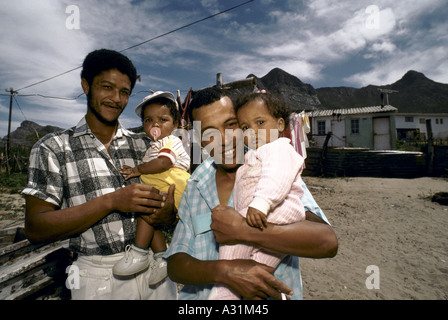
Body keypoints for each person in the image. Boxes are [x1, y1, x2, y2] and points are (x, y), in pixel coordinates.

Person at [22, 49, 178, 300]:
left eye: (124, 92)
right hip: (98, 277)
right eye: (107, 87)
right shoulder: (53, 147)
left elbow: (169, 208)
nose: (116, 99)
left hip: (155, 270)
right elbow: (36, 228)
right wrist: (112, 201)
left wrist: (168, 214)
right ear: (86, 85)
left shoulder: (145, 146)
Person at [165, 87, 338, 300]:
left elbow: (327, 242)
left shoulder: (272, 168)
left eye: (230, 125)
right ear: (200, 139)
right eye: (210, 133)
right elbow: (175, 264)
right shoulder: (195, 185)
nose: (224, 139)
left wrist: (243, 230)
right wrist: (227, 272)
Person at [208, 90, 307, 300]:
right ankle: (270, 294)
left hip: (280, 209)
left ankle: (224, 295)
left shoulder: (278, 148)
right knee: (259, 265)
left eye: (260, 122)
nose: (252, 131)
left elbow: (277, 177)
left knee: (231, 250)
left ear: (280, 125)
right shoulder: (252, 156)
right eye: (245, 127)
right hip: (263, 215)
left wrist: (261, 203)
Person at [113, 91, 190, 285]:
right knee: (150, 218)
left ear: (175, 124)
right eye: (148, 120)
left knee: (145, 213)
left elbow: (163, 164)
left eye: (162, 119)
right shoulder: (153, 145)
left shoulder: (170, 141)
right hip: (164, 183)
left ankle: (139, 253)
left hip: (173, 183)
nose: (155, 125)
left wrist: (138, 169)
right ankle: (161, 257)